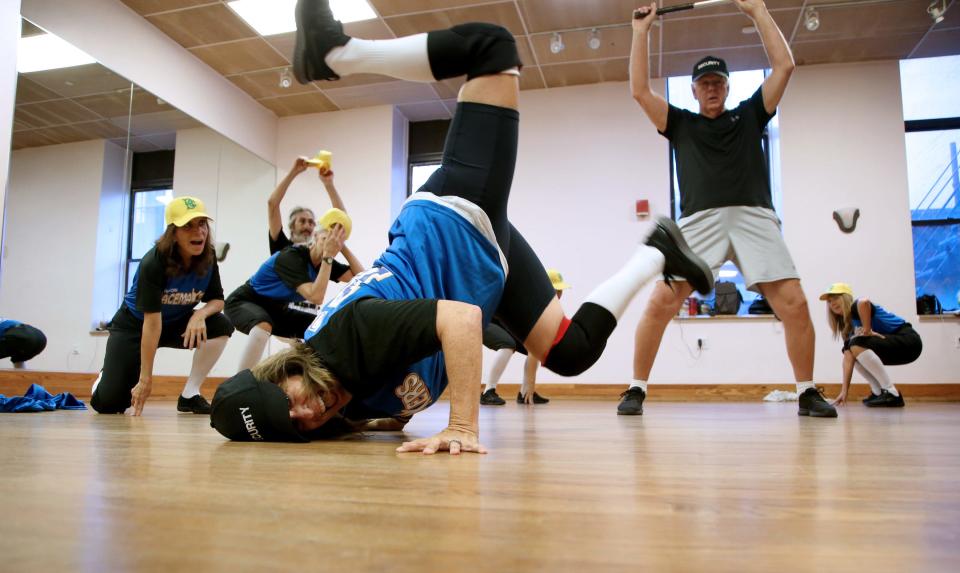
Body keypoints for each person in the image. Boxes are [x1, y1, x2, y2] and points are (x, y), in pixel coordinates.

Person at [209, 0, 714, 454]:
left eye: (287, 401)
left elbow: (462, 322)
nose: (306, 413)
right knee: (570, 352)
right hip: (482, 259)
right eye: (294, 426)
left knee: (493, 49)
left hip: (453, 220)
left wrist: (463, 426)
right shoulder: (345, 399)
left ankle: (336, 53)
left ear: (282, 371)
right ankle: (658, 251)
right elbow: (405, 381)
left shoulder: (351, 340)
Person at [623, 0, 836, 418]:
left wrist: (757, 11)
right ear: (694, 90)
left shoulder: (750, 115)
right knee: (659, 304)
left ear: (727, 85)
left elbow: (784, 67)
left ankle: (807, 391)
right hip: (699, 223)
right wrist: (640, 32)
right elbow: (639, 91)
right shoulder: (681, 124)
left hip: (755, 216)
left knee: (793, 302)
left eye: (718, 80)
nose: (712, 88)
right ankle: (635, 388)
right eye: (704, 82)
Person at [91, 197, 233, 415]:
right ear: (173, 232)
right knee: (109, 405)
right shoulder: (154, 262)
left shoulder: (209, 256)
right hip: (135, 326)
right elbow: (152, 323)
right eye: (188, 226)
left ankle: (190, 394)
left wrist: (200, 315)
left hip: (176, 323)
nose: (199, 232)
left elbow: (218, 300)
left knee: (221, 325)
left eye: (202, 224)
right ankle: (106, 375)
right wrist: (145, 380)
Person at [225, 221, 363, 372]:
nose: (328, 245)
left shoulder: (326, 262)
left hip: (276, 310)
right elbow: (316, 297)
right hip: (243, 302)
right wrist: (328, 256)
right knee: (262, 324)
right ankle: (240, 384)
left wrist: (342, 247)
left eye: (333, 242)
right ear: (315, 236)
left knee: (322, 325)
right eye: (325, 239)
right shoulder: (292, 257)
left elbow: (362, 277)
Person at [821, 283, 921, 407]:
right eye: (829, 301)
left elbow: (864, 301)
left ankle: (891, 392)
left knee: (856, 344)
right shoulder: (847, 327)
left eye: (835, 298)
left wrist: (867, 330)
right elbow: (848, 358)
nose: (832, 303)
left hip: (908, 340)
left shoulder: (855, 308)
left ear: (846, 298)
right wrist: (844, 391)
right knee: (853, 350)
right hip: (896, 346)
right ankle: (878, 392)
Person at [481, 269, 571, 405]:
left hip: (500, 323)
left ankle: (525, 394)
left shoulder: (544, 305)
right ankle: (487, 392)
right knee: (507, 344)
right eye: (556, 290)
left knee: (537, 348)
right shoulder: (534, 303)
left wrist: (530, 386)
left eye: (560, 290)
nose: (559, 294)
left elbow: (534, 350)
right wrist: (531, 383)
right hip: (484, 319)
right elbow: (532, 350)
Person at [268, 156, 345, 254]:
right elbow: (272, 205)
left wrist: (328, 184)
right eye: (302, 221)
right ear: (292, 226)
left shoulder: (318, 252)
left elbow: (341, 220)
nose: (307, 226)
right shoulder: (282, 246)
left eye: (311, 222)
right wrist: (294, 171)